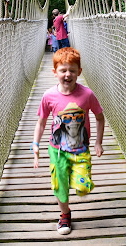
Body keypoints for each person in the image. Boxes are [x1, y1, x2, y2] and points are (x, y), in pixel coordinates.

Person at [31, 47, 105, 235]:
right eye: (63, 70)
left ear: (79, 72)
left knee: (82, 188)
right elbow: (41, 122)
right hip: (57, 151)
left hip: (81, 150)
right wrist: (36, 143)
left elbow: (99, 117)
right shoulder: (49, 96)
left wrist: (98, 142)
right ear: (55, 72)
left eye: (72, 70)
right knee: (60, 186)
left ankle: (75, 178)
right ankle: (65, 215)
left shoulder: (87, 95)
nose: (67, 74)